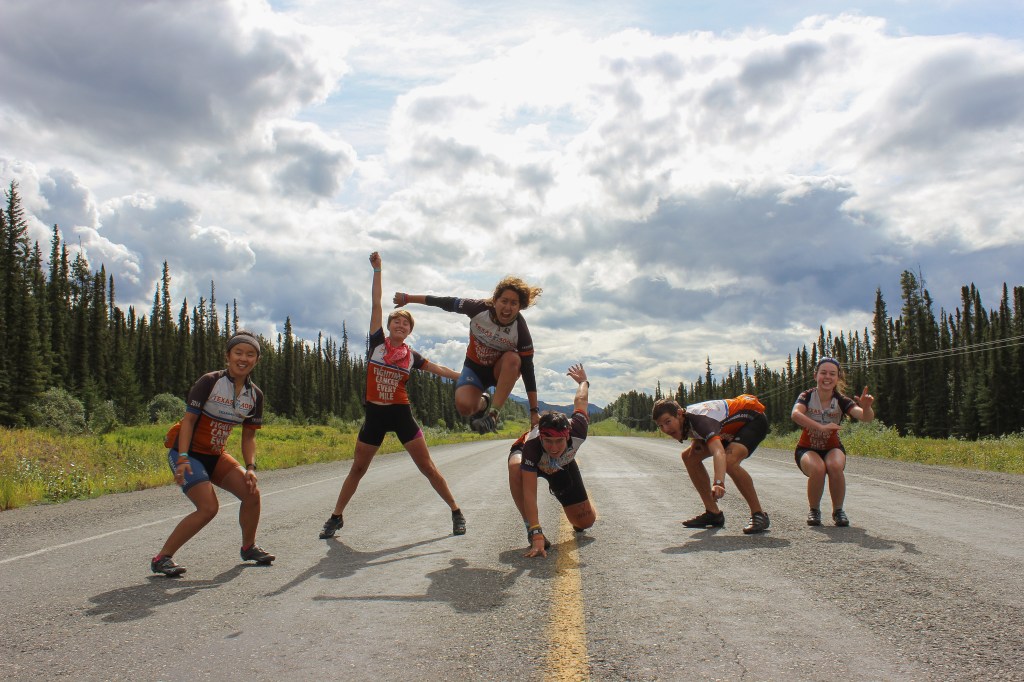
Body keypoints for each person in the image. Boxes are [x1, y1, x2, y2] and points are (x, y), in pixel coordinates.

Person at [319, 252, 467, 540]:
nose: (400, 325)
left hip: (401, 415)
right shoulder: (376, 343)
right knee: (358, 469)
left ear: (410, 331)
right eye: (396, 322)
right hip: (374, 416)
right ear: (388, 326)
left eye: (405, 324)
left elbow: (439, 369)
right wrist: (378, 270)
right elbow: (376, 303)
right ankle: (336, 517)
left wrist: (467, 378)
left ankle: (456, 512)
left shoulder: (412, 357)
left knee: (427, 467)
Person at [151, 330, 273, 577]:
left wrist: (250, 467)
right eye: (238, 352)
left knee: (251, 492)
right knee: (208, 508)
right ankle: (162, 558)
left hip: (215, 454)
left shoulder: (255, 395)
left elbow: (248, 436)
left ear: (257, 360)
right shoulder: (210, 381)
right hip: (188, 454)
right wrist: (182, 458)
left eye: (250, 354)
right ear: (228, 355)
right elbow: (188, 421)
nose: (243, 358)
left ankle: (249, 547)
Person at [392, 275, 542, 434]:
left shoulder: (520, 330)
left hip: (500, 371)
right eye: (504, 301)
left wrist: (534, 411)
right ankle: (484, 402)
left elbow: (528, 370)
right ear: (495, 300)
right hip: (474, 368)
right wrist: (408, 298)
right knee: (464, 407)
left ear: (520, 307)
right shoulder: (478, 308)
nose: (507, 308)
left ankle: (493, 416)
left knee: (514, 358)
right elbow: (443, 302)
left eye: (514, 303)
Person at [508, 363, 596, 558]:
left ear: (568, 436)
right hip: (530, 459)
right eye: (548, 441)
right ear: (541, 437)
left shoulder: (579, 429)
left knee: (586, 522)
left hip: (562, 465)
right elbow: (529, 493)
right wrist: (537, 531)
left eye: (559, 441)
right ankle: (531, 530)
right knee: (515, 467)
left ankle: (573, 508)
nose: (554, 448)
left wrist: (583, 381)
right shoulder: (532, 447)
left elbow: (581, 399)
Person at [652, 394, 771, 534]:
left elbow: (718, 451)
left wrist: (719, 482)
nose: (666, 429)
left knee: (729, 461)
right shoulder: (687, 419)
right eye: (661, 426)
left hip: (753, 419)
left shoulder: (701, 421)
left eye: (668, 422)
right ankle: (713, 513)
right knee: (689, 457)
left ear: (679, 414)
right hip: (728, 427)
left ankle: (758, 514)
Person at [791, 357, 875, 527]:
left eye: (832, 374)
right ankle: (814, 510)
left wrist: (866, 407)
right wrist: (820, 427)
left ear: (837, 378)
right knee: (818, 468)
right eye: (823, 373)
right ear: (815, 375)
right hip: (807, 448)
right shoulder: (807, 396)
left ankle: (838, 511)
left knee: (834, 465)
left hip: (833, 447)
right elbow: (795, 414)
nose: (827, 377)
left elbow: (865, 417)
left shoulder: (841, 400)